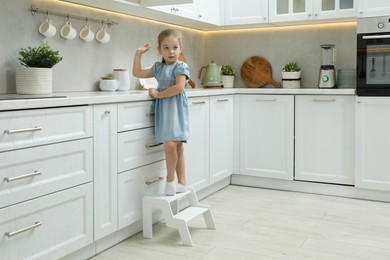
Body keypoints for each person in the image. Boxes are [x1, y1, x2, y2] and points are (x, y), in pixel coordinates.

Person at [132, 29, 190, 196]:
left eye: (174, 47)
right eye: (166, 48)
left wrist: (158, 94)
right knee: (176, 146)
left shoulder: (181, 66)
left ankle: (170, 180)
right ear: (160, 50)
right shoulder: (158, 68)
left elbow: (179, 87)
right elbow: (137, 73)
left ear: (180, 48)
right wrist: (138, 54)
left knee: (172, 145)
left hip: (176, 109)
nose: (170, 52)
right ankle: (182, 183)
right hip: (164, 110)